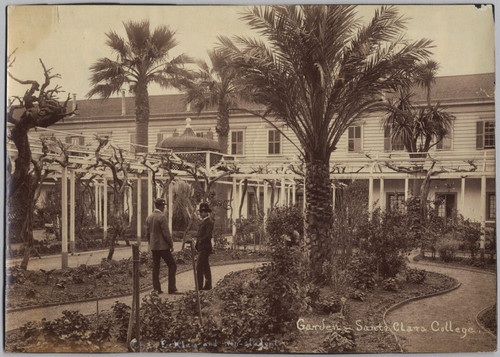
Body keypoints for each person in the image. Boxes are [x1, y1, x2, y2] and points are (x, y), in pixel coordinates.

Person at [146, 198, 178, 294]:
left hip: (154, 247)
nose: (164, 208)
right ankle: (171, 288)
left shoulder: (149, 217)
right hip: (163, 247)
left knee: (156, 267)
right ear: (160, 206)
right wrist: (171, 244)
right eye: (163, 206)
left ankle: (157, 289)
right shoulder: (162, 217)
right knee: (172, 265)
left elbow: (147, 234)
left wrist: (150, 243)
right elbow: (166, 233)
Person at [195, 202, 214, 290]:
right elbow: (200, 234)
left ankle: (199, 286)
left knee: (199, 267)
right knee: (205, 266)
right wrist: (196, 243)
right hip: (201, 247)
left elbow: (208, 235)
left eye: (203, 211)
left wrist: (200, 240)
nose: (201, 213)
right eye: (201, 211)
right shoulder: (202, 221)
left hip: (205, 247)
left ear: (207, 212)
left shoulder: (209, 222)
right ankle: (208, 285)